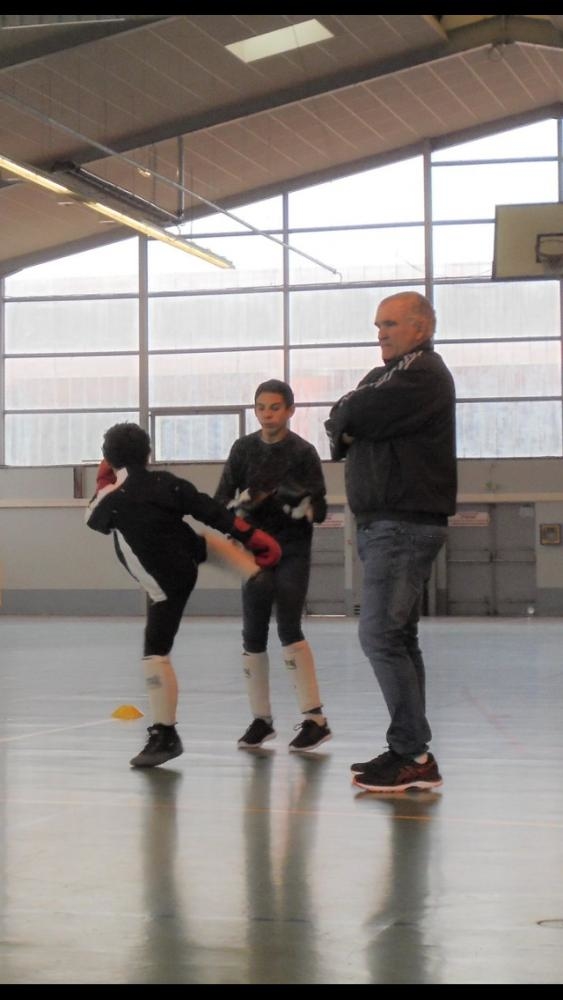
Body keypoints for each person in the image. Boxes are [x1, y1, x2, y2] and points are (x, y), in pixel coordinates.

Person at [86, 421, 281, 769]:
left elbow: (93, 520)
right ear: (148, 454)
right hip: (186, 553)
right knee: (198, 544)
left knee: (155, 653)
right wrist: (253, 537)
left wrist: (104, 480)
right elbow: (212, 511)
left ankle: (165, 735)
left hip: (165, 584)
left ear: (108, 458)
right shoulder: (168, 482)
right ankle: (252, 573)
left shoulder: (111, 498)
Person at [325, 291, 457, 792]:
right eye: (378, 325)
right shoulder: (387, 375)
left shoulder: (422, 373)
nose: (380, 333)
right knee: (399, 637)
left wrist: (352, 421)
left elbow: (354, 414)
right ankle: (411, 749)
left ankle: (411, 753)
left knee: (379, 635)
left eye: (391, 324)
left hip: (402, 523)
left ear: (421, 328)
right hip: (384, 522)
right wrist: (349, 420)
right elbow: (339, 418)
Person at [214, 379, 332, 752]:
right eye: (261, 408)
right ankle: (260, 720)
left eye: (275, 407)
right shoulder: (243, 449)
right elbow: (221, 500)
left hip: (293, 549)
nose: (268, 415)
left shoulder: (303, 452)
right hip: (254, 552)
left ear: (290, 410)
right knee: (252, 633)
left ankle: (315, 720)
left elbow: (321, 508)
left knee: (289, 627)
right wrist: (238, 509)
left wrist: (304, 507)